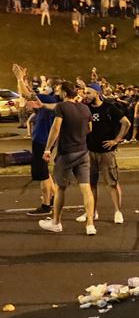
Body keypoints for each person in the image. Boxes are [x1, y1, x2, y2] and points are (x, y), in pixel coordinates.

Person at [33, 80, 97, 235]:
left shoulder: (62, 107)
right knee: (86, 188)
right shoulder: (84, 108)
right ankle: (90, 224)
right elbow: (89, 129)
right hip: (83, 151)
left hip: (67, 153)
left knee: (61, 188)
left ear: (63, 92)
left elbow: (56, 128)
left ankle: (56, 222)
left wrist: (47, 149)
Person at [75, 83, 130, 225]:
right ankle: (92, 212)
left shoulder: (109, 108)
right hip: (89, 150)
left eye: (88, 93)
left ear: (97, 93)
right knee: (91, 184)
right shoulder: (85, 108)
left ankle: (118, 211)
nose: (85, 96)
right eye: (85, 93)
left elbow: (126, 123)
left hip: (106, 152)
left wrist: (116, 140)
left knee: (111, 183)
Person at [23, 82, 58, 217]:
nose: (28, 103)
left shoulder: (47, 102)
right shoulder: (43, 107)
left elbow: (28, 95)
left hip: (42, 143)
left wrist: (20, 80)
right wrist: (23, 81)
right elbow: (29, 95)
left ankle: (46, 205)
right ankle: (54, 197)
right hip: (42, 142)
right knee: (45, 173)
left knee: (43, 174)